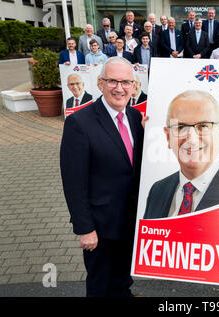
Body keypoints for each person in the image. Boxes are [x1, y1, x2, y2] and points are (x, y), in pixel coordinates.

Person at [60, 56, 145, 297]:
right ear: (100, 83)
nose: (120, 88)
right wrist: (85, 228)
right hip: (100, 229)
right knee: (100, 286)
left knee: (122, 281)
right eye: (113, 81)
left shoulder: (136, 118)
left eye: (126, 82)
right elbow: (73, 183)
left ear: (134, 85)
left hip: (129, 224)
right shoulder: (79, 123)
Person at [143, 90, 219, 220]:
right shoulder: (158, 190)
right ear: (168, 136)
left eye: (203, 126)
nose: (191, 139)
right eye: (180, 127)